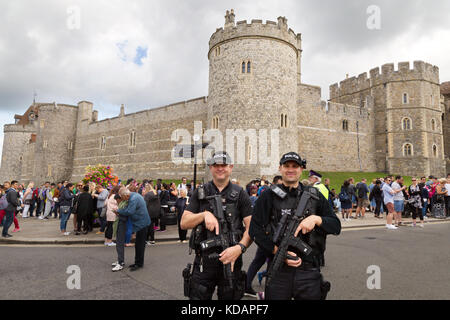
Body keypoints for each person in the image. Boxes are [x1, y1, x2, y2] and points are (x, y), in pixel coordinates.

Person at [249, 152, 341, 300]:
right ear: (280, 168)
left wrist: (316, 219)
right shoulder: (268, 196)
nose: (290, 169)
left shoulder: (314, 195)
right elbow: (255, 230)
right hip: (279, 269)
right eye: (287, 166)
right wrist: (278, 251)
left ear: (301, 169)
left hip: (309, 270)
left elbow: (336, 226)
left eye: (295, 166)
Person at [181, 151, 253, 300]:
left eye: (224, 165)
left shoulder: (240, 194)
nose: (220, 168)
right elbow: (184, 222)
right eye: (216, 165)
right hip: (204, 263)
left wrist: (240, 248)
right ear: (210, 167)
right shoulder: (201, 192)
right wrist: (203, 215)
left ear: (231, 167)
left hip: (232, 260)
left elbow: (251, 228)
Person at [112, 187, 151, 272]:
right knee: (138, 244)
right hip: (141, 222)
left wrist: (118, 210)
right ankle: (137, 262)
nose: (122, 199)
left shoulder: (133, 199)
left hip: (142, 223)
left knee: (140, 245)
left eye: (122, 197)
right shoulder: (133, 196)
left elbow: (129, 211)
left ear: (126, 195)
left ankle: (139, 264)